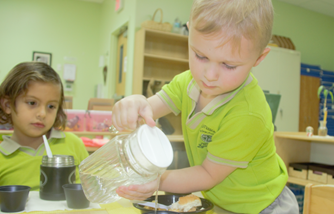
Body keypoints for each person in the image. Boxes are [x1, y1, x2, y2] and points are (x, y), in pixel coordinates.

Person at [111, 0, 298, 213]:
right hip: (223, 201)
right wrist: (136, 103)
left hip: (263, 206)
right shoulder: (188, 82)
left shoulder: (248, 114)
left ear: (259, 58)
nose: (209, 75)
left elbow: (208, 174)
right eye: (201, 56)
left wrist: (158, 181)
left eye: (228, 65)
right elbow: (149, 109)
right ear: (189, 33)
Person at [0, 62, 89, 191]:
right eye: (32, 103)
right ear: (7, 105)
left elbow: (94, 189)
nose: (42, 114)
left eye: (51, 106)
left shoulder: (74, 144)